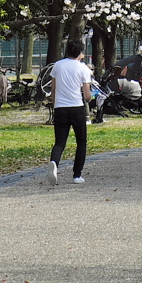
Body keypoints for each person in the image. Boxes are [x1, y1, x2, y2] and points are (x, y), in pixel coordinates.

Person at [48, 39, 92, 185]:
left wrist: (55, 104)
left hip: (60, 108)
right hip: (77, 108)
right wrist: (90, 97)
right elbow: (86, 95)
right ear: (80, 52)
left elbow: (53, 89)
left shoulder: (58, 65)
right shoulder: (83, 68)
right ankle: (77, 175)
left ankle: (54, 163)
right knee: (81, 141)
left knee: (60, 142)